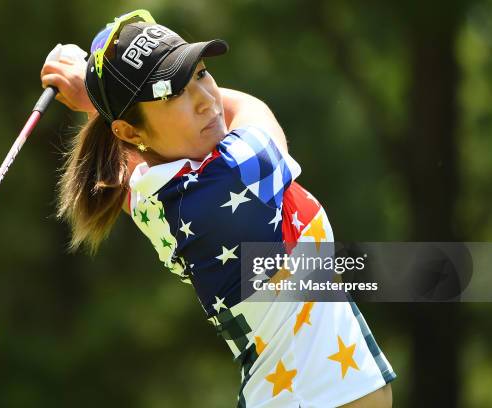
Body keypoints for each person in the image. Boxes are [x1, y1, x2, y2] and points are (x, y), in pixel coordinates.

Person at [41, 9, 395, 407]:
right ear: (129, 130)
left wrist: (101, 99)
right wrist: (96, 96)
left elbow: (131, 143)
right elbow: (249, 109)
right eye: (172, 93)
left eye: (200, 73)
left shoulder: (153, 191)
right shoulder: (230, 181)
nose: (205, 100)